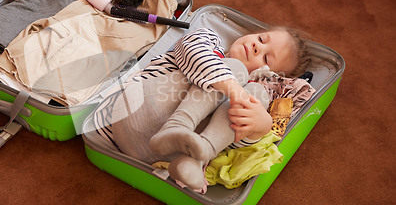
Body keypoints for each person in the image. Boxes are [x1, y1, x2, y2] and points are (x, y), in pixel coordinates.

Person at [110, 27, 311, 190]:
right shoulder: (208, 39)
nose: (257, 47)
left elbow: (230, 144)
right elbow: (193, 53)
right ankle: (178, 125)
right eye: (260, 38)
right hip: (136, 109)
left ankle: (198, 156)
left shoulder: (251, 88)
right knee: (235, 68)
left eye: (267, 59)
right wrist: (233, 88)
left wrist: (260, 126)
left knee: (258, 96)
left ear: (266, 72)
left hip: (165, 156)